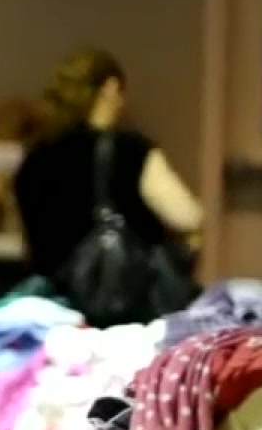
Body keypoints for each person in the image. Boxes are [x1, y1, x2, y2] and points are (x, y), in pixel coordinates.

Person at [14, 46, 205, 279]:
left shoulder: (35, 156)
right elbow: (188, 217)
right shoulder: (131, 150)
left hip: (49, 290)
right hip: (119, 292)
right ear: (110, 88)